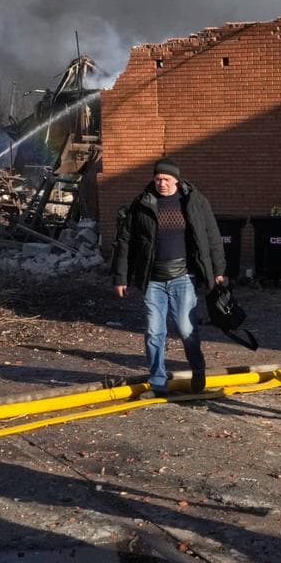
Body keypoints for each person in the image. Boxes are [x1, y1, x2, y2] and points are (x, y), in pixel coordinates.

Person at [112, 158, 225, 397]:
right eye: (158, 178)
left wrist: (218, 270)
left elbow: (212, 236)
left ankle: (198, 371)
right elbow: (125, 241)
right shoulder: (142, 203)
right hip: (153, 280)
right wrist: (121, 277)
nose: (161, 183)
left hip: (183, 278)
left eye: (166, 179)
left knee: (186, 329)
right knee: (154, 332)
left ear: (176, 179)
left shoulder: (194, 201)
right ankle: (158, 383)